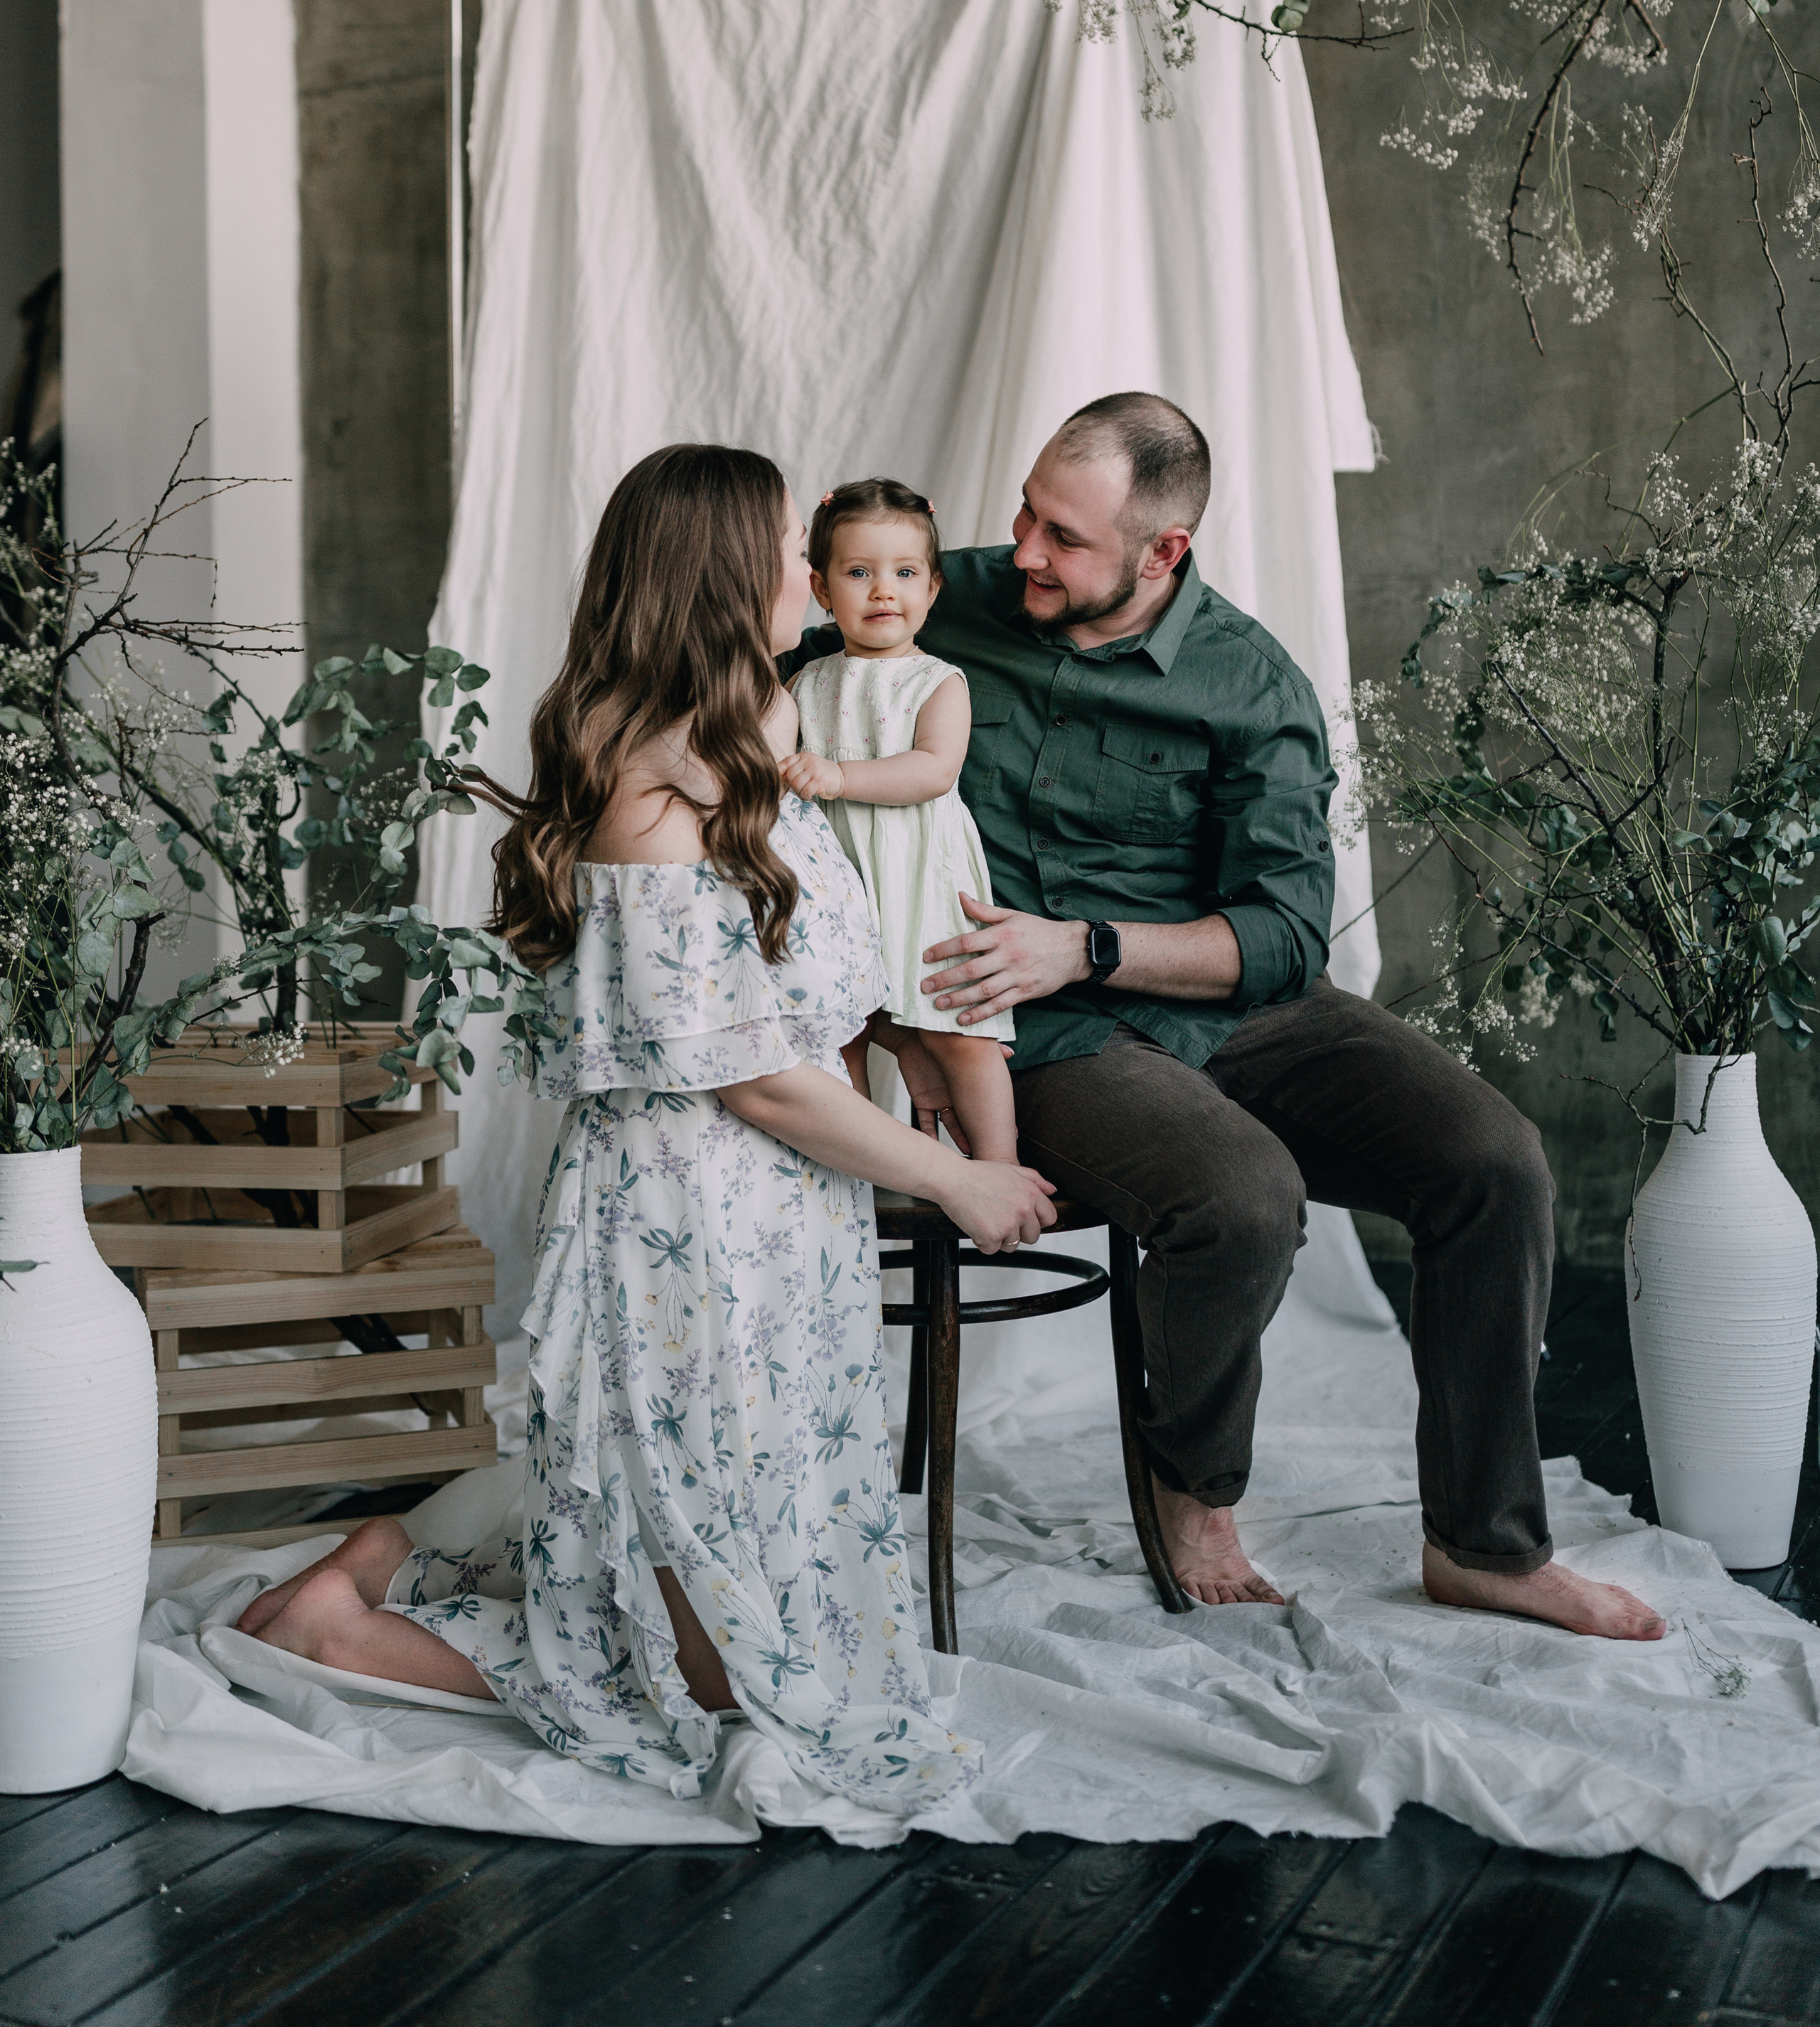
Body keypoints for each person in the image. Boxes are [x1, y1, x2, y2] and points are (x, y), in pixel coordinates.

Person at [235, 444, 1058, 1812]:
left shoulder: (754, 737)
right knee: (729, 1695)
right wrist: (959, 1180)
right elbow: (748, 1075)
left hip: (786, 1215)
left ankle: (390, 1550)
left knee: (774, 1591)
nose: (811, 577)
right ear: (721, 574)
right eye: (792, 552)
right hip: (691, 1227)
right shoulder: (652, 786)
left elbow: (811, 1003)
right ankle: (355, 1622)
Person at [784, 393, 1666, 1644]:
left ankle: (1486, 1544)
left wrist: (1088, 943)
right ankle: (1195, 1485)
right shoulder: (935, 599)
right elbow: (744, 693)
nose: (1024, 548)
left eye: (1064, 537)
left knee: (1495, 1162)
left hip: (1226, 1003)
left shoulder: (1248, 680)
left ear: (1164, 554)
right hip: (1033, 1027)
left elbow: (1286, 934)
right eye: (1028, 511)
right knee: (1243, 1197)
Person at [783, 476, 1019, 1166]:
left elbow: (933, 769)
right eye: (859, 573)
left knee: (957, 1030)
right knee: (839, 1030)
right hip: (838, 879)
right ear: (822, 591)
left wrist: (838, 776)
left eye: (904, 572)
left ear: (933, 589)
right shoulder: (808, 682)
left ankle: (997, 1165)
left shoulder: (938, 681)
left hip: (916, 874)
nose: (883, 590)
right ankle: (853, 1164)